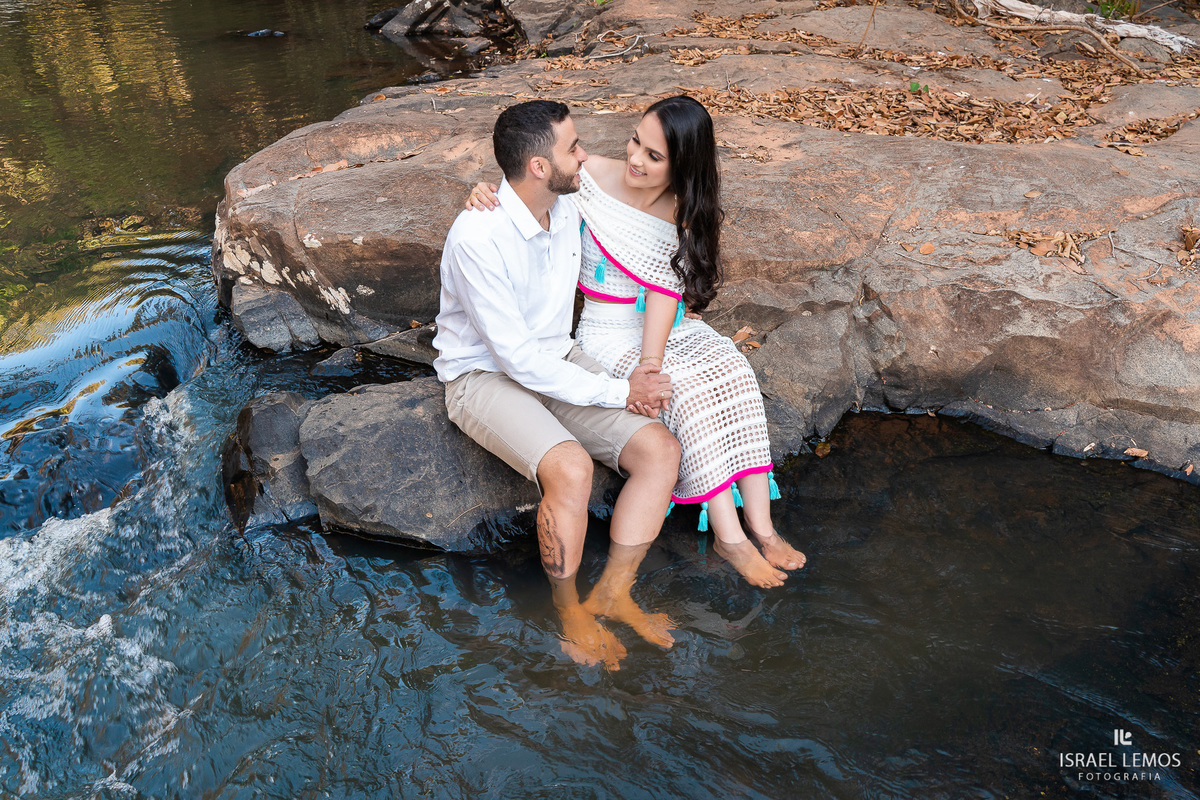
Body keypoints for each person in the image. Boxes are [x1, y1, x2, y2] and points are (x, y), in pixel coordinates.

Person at [465, 96, 806, 589]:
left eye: (654, 155)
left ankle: (763, 526)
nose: (635, 159)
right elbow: (530, 181)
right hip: (601, 331)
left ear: (682, 167)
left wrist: (651, 360)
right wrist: (487, 190)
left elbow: (664, 287)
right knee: (684, 393)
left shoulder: (677, 208)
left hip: (652, 328)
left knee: (733, 371)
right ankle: (729, 537)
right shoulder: (585, 180)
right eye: (635, 142)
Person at [434, 100, 682, 670]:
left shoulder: (568, 203)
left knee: (660, 450)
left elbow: (654, 202)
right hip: (481, 375)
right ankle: (569, 612)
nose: (586, 156)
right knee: (571, 468)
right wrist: (621, 391)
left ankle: (614, 591)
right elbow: (516, 360)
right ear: (540, 167)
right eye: (573, 148)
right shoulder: (477, 237)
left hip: (557, 359)